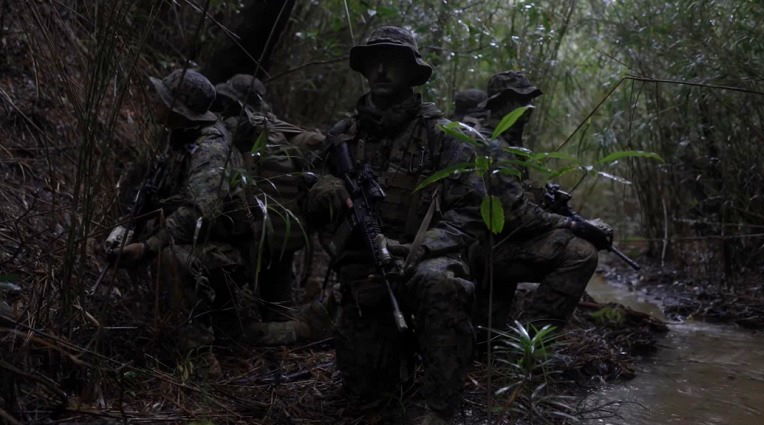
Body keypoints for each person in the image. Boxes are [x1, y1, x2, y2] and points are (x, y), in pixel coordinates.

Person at [305, 26, 477, 424]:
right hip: (363, 268)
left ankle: (440, 407)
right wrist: (324, 189)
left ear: (410, 71)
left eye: (393, 62)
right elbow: (306, 202)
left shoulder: (443, 135)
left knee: (442, 284)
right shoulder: (342, 136)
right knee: (366, 395)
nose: (381, 70)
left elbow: (469, 211)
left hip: (424, 260)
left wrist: (416, 250)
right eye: (373, 62)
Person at [106, 69, 250, 377]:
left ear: (179, 110)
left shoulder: (211, 148)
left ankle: (199, 357)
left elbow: (199, 213)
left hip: (227, 249)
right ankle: (161, 325)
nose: (156, 104)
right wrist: (127, 226)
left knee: (171, 259)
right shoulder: (179, 137)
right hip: (197, 238)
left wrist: (148, 246)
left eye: (164, 100)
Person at [468, 71, 612, 333]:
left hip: (489, 244)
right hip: (481, 248)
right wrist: (573, 225)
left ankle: (495, 336)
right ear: (501, 104)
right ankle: (534, 342)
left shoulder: (501, 143)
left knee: (487, 335)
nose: (528, 109)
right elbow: (517, 218)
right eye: (520, 101)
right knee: (581, 254)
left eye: (529, 101)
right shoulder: (494, 147)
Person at [211, 73, 332, 345]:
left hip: (245, 239)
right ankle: (278, 327)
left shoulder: (235, 130)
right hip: (283, 241)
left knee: (232, 310)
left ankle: (240, 330)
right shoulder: (289, 134)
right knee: (277, 309)